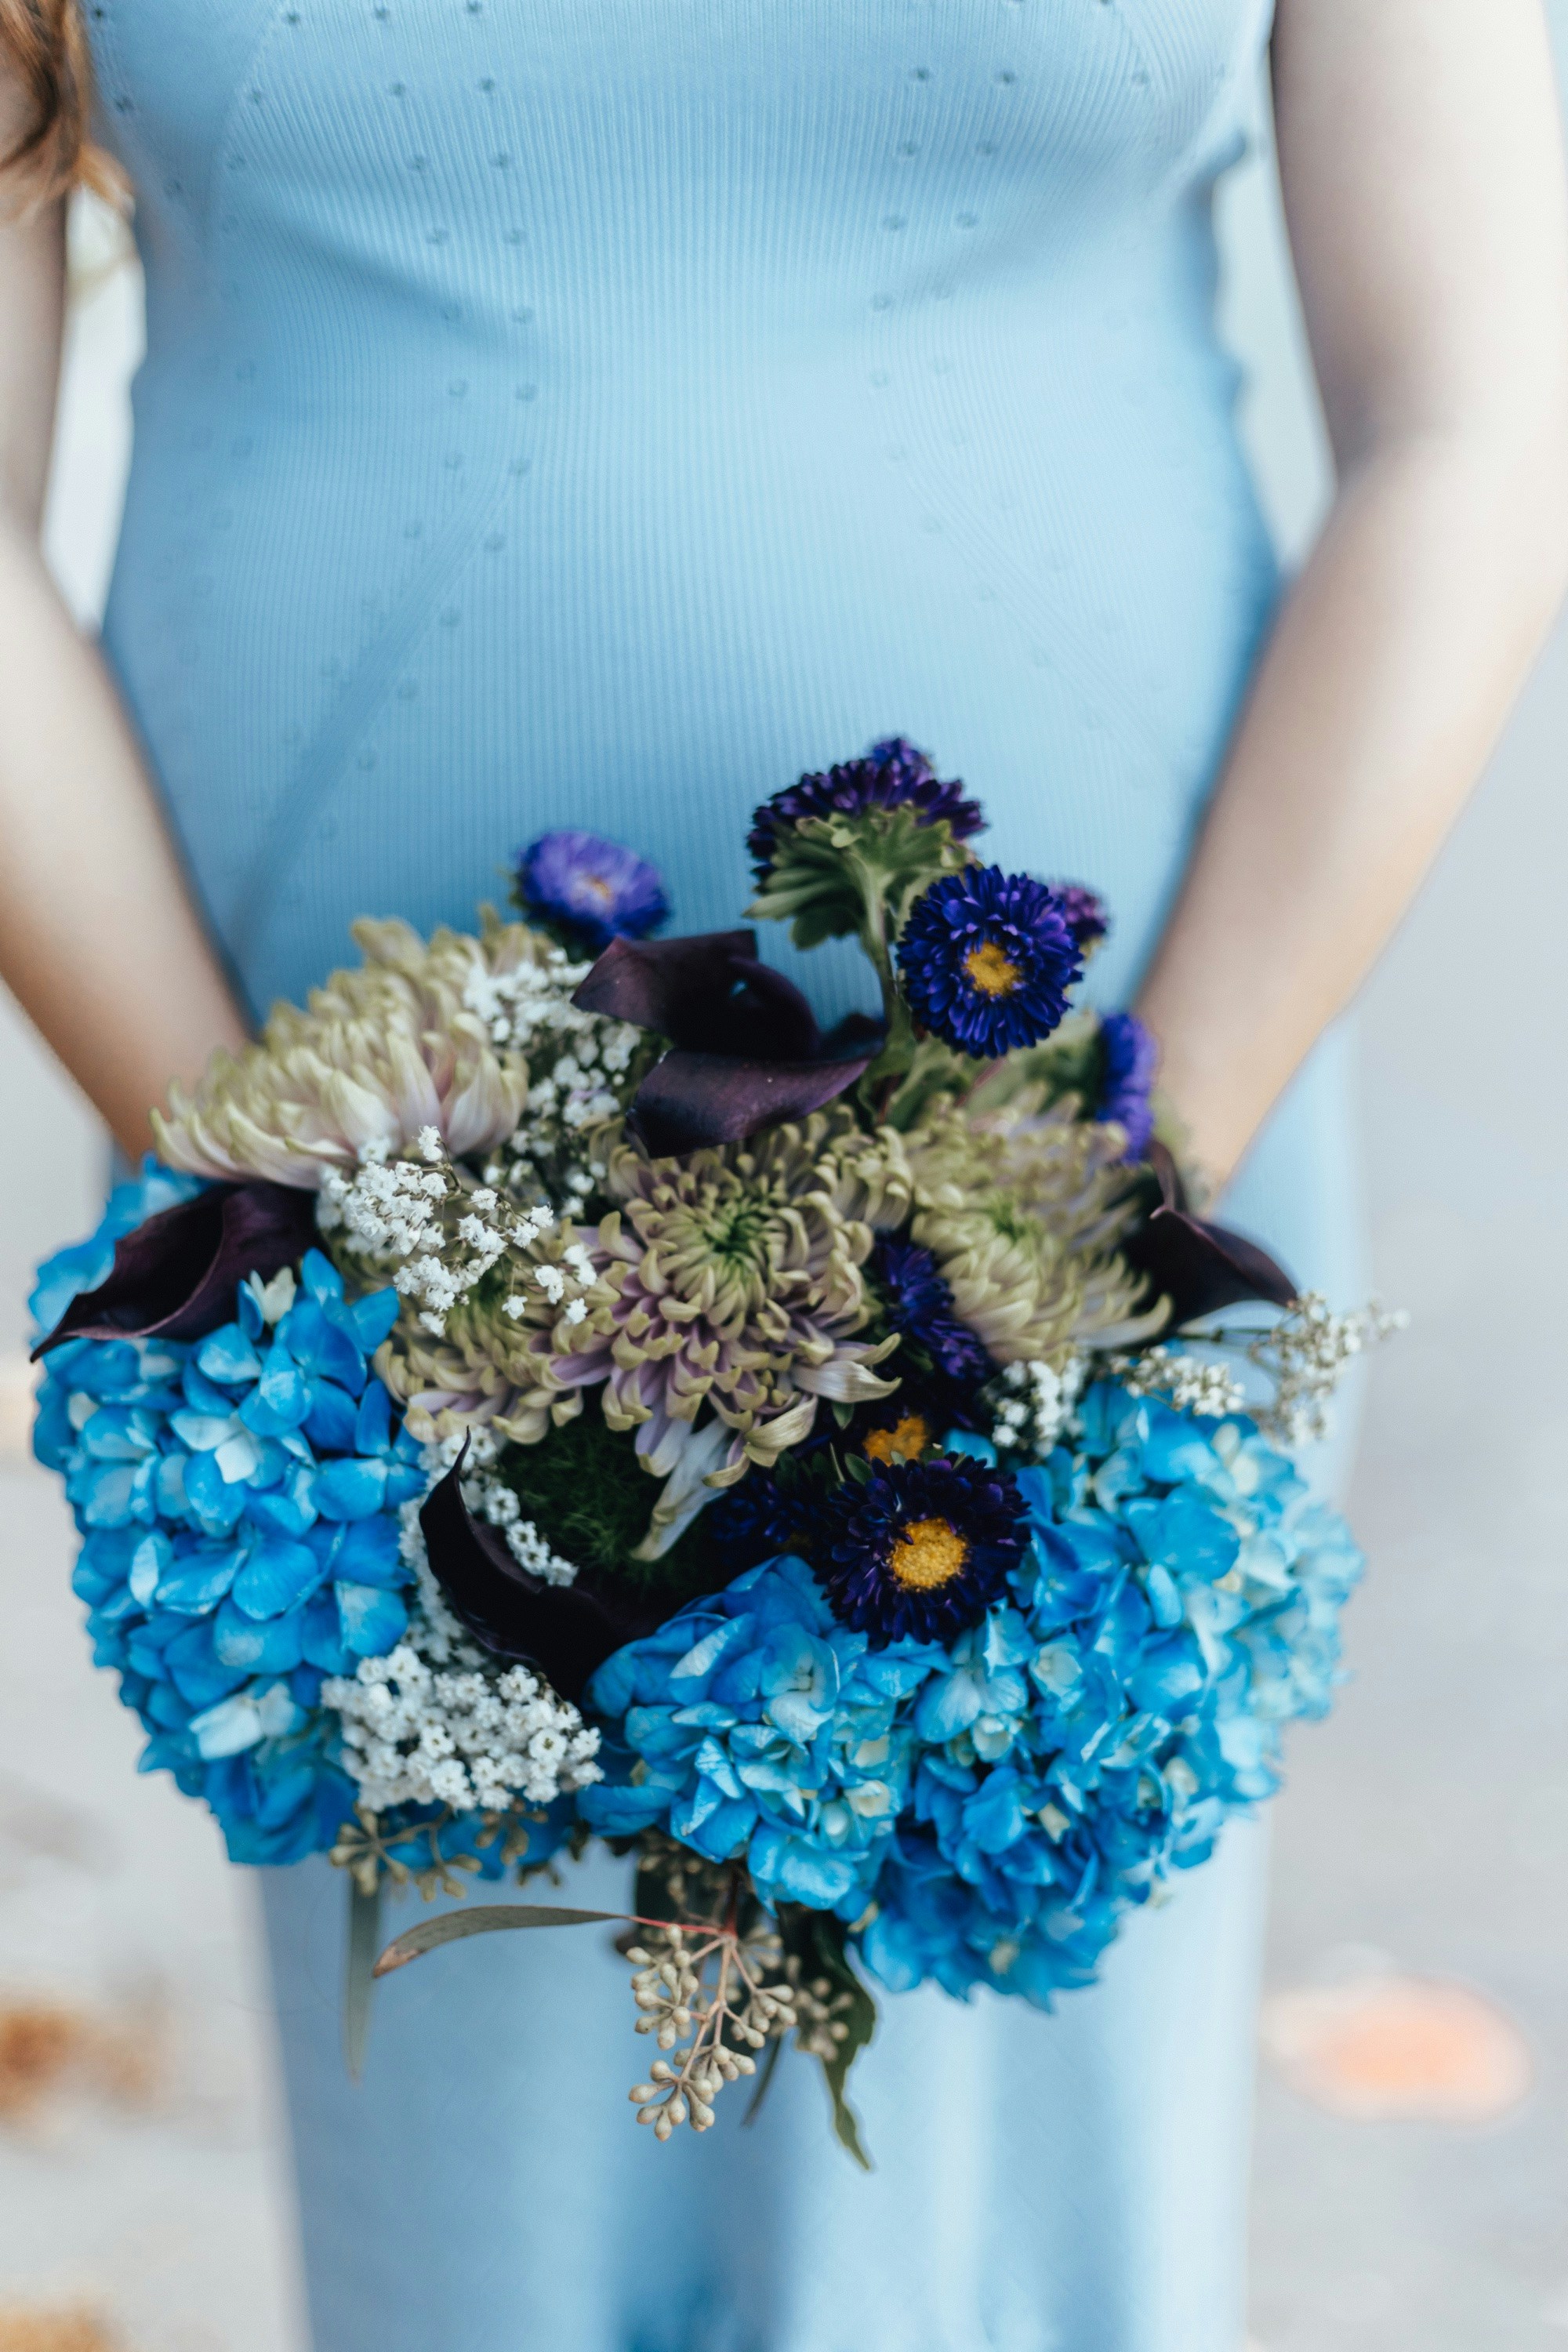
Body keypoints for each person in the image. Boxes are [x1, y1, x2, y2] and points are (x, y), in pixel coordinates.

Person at [2, 4, 1566, 2347]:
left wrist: (1105, 1211)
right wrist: (289, 1229)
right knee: (495, 2228)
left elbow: (1480, 413)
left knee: (1007, 2235)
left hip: (1097, 1175)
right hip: (343, 1261)